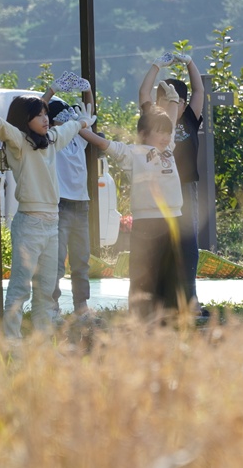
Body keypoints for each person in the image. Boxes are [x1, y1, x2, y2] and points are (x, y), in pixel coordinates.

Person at [0, 94, 95, 338]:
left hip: (52, 224)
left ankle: (42, 342)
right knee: (20, 288)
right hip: (29, 224)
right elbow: (4, 129)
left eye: (46, 114)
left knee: (45, 290)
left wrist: (84, 122)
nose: (45, 119)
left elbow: (69, 128)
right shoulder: (19, 142)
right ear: (26, 119)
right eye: (39, 115)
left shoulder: (51, 139)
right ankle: (12, 341)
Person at [81, 82, 184, 319]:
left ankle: (167, 320)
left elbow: (171, 121)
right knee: (144, 275)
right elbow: (103, 144)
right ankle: (140, 321)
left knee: (170, 275)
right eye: (158, 131)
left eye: (167, 132)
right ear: (144, 134)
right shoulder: (131, 153)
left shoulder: (168, 148)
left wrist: (174, 101)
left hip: (173, 221)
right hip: (146, 223)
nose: (165, 136)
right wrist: (80, 126)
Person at [139, 51, 205, 313]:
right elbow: (143, 93)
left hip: (186, 189)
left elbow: (199, 89)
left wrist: (189, 62)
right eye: (165, 98)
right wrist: (156, 65)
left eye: (177, 100)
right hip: (159, 191)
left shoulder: (189, 118)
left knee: (188, 246)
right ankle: (160, 302)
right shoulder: (154, 120)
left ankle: (190, 300)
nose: (172, 103)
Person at [42, 71, 95, 317]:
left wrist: (88, 89)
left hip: (81, 205)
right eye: (62, 115)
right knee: (57, 261)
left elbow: (88, 113)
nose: (69, 117)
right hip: (60, 205)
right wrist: (52, 90)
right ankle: (51, 306)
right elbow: (34, 116)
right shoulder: (51, 140)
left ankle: (81, 306)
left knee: (81, 262)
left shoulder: (78, 137)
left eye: (69, 114)